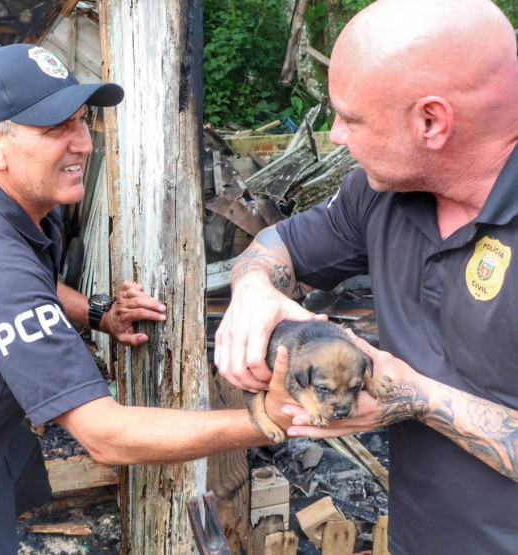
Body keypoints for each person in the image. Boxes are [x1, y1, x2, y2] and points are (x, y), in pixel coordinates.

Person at [0, 44, 300, 555]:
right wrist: (264, 420)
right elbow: (103, 435)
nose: (83, 143)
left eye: (81, 120)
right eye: (55, 130)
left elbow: (32, 282)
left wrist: (99, 315)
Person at [213, 1, 518, 553]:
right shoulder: (380, 191)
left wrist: (420, 398)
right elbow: (277, 245)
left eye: (350, 118)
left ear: (431, 121)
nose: (335, 136)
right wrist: (253, 290)